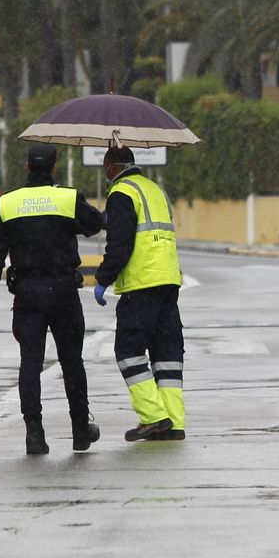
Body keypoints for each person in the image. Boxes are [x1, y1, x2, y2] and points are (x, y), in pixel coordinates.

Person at [0, 142, 105, 455]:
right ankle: (79, 430)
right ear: (53, 168)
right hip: (63, 290)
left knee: (30, 363)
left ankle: (34, 434)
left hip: (27, 293)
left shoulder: (8, 203)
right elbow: (94, 224)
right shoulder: (66, 197)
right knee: (71, 361)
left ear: (26, 167)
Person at [92, 146, 186, 442]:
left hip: (140, 284)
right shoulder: (155, 189)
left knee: (129, 353)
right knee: (166, 355)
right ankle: (174, 421)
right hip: (168, 281)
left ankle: (154, 417)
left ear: (111, 167)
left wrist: (103, 278)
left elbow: (120, 244)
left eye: (105, 168)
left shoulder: (121, 192)